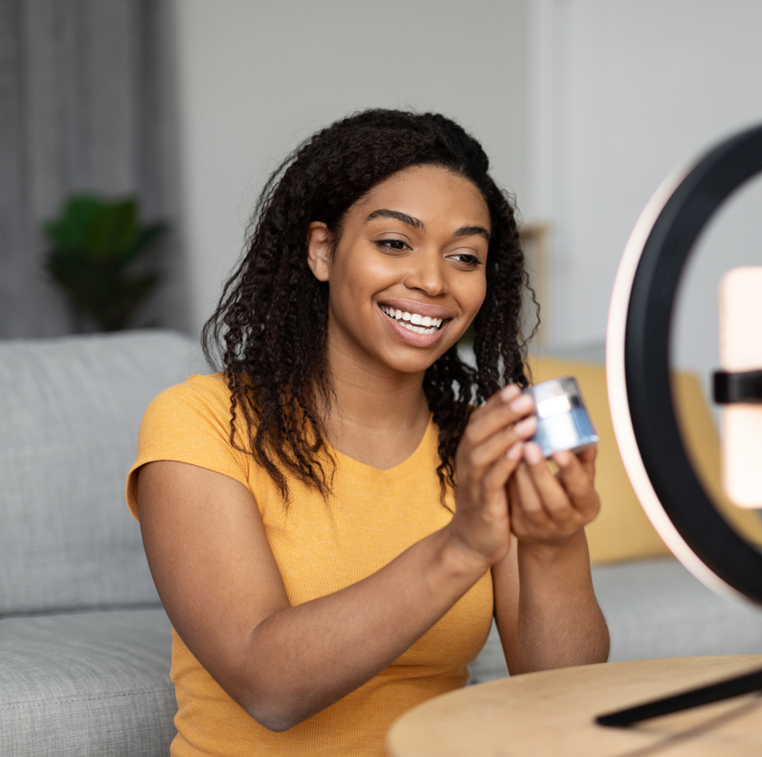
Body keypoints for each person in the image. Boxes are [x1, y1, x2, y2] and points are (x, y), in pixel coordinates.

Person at [126, 109, 610, 756]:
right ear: (322, 250)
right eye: (393, 243)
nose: (432, 281)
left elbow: (562, 690)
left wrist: (554, 543)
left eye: (464, 256)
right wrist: (462, 543)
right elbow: (268, 683)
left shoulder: (473, 444)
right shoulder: (202, 421)